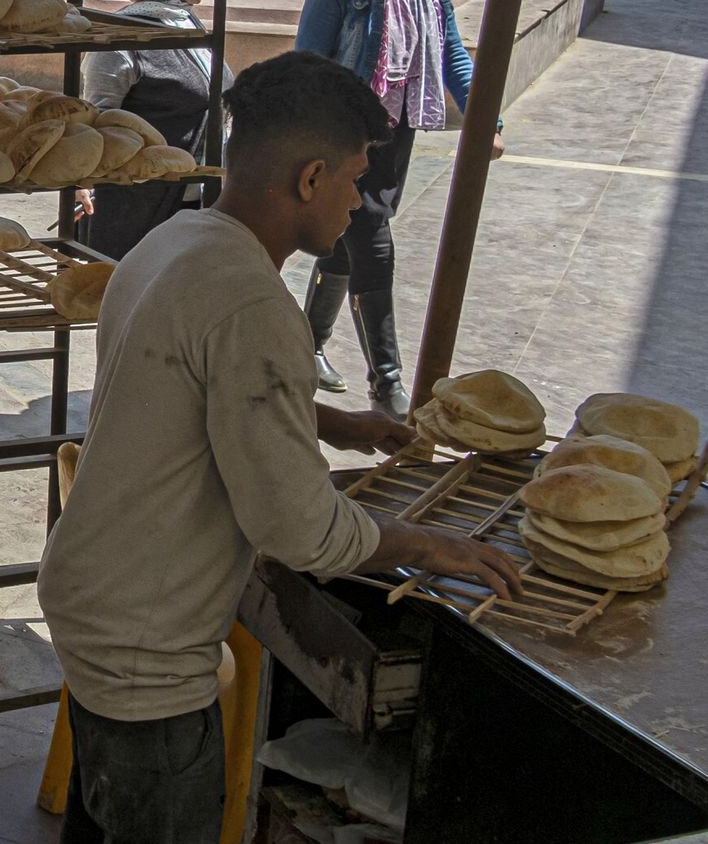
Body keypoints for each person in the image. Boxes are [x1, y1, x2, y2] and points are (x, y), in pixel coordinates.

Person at [37, 51, 522, 844]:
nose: (359, 200)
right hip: (145, 644)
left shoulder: (177, 241)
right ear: (310, 178)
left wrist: (334, 424)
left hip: (92, 590)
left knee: (106, 815)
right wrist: (434, 546)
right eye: (355, 179)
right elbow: (301, 532)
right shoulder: (254, 305)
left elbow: (181, 388)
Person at [294, 0, 503, 419]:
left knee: (347, 241)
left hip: (398, 130)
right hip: (346, 136)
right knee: (373, 240)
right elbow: (307, 69)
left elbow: (454, 54)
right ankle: (386, 381)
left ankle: (306, 347)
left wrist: (485, 122)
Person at [76, 0, 231, 260]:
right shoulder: (123, 41)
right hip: (136, 211)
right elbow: (94, 119)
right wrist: (83, 183)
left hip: (191, 201)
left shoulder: (187, 26)